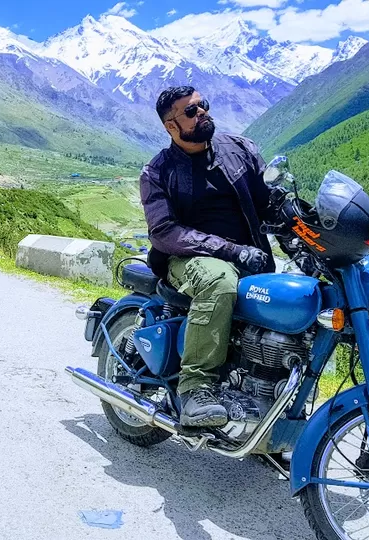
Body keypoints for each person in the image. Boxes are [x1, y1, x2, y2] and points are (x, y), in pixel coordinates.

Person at [139, 86, 275, 428]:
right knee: (219, 281)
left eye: (203, 105)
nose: (202, 113)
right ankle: (194, 389)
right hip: (185, 258)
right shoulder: (157, 172)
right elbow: (164, 231)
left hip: (249, 256)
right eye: (191, 111)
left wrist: (312, 230)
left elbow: (270, 204)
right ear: (171, 126)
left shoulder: (240, 149)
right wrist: (231, 250)